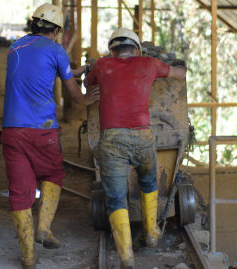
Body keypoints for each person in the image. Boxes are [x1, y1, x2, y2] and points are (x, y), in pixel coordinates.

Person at [1, 3, 100, 269]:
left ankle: (28, 257)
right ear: (56, 30)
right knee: (53, 174)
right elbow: (74, 95)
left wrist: (71, 72)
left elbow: (36, 72)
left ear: (34, 25)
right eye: (58, 32)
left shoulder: (14, 47)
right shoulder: (56, 49)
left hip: (11, 131)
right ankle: (44, 229)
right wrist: (88, 98)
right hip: (41, 130)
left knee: (20, 192)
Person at [85, 28, 186, 269]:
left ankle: (126, 258)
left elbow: (87, 84)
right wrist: (179, 65)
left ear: (111, 49)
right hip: (143, 137)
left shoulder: (102, 65)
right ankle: (151, 233)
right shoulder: (149, 64)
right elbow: (179, 74)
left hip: (111, 141)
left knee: (116, 197)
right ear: (137, 49)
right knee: (149, 182)